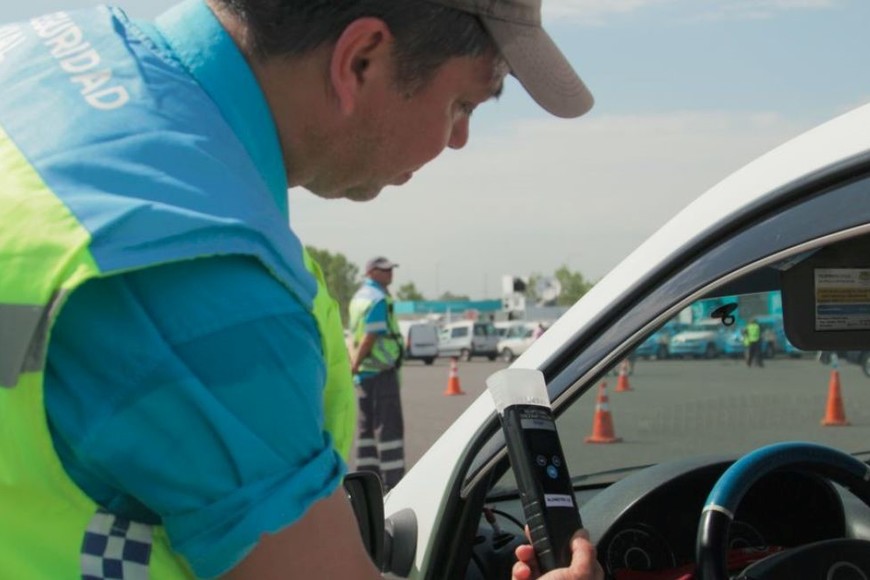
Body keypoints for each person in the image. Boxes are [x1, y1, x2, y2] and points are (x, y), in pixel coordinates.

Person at [0, 0, 602, 578]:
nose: (457, 140)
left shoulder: (42, 52)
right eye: (462, 104)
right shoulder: (201, 278)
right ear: (360, 59)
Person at [348, 256, 406, 491]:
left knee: (366, 429)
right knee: (389, 429)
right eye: (385, 270)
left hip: (363, 375)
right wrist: (357, 362)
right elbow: (370, 338)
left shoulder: (358, 299)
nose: (390, 273)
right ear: (371, 272)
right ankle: (393, 481)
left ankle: (366, 480)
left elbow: (355, 335)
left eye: (391, 269)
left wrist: (354, 365)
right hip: (381, 373)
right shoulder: (378, 300)